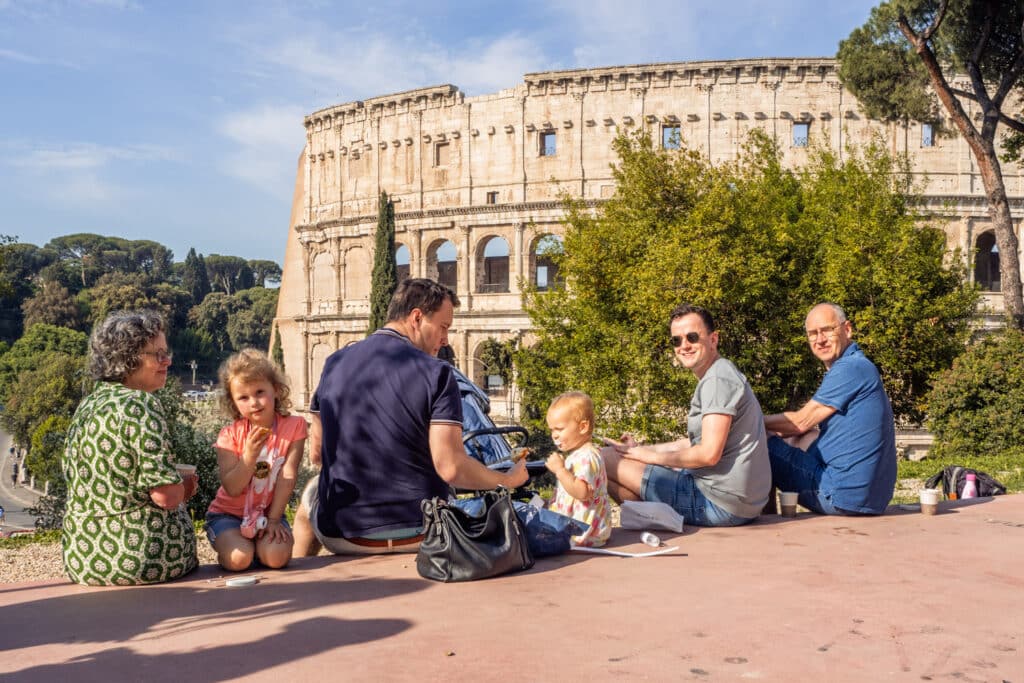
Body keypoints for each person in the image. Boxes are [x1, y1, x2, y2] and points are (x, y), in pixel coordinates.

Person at [292, 278, 528, 556]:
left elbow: (318, 454)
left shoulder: (334, 363)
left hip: (344, 535)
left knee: (309, 499)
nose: (445, 340)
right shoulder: (437, 373)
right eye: (443, 327)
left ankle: (303, 573)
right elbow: (451, 468)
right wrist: (510, 480)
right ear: (417, 317)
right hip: (423, 532)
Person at [62, 310, 198, 585]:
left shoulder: (89, 404)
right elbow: (166, 497)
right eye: (157, 354)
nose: (167, 361)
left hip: (83, 559)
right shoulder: (140, 405)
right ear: (127, 358)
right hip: (140, 560)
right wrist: (185, 486)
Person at [603, 304, 771, 527]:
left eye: (692, 337)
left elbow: (708, 454)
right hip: (738, 502)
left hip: (718, 503)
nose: (684, 346)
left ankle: (653, 522)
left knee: (602, 459)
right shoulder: (720, 373)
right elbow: (695, 443)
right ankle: (651, 521)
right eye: (677, 340)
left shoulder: (717, 381)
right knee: (619, 457)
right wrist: (640, 450)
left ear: (713, 339)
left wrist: (649, 457)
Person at [763, 302, 897, 515]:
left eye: (827, 330)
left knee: (763, 444)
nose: (820, 340)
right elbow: (802, 429)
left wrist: (749, 420)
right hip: (873, 499)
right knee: (799, 437)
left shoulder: (850, 368)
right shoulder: (859, 365)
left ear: (847, 329)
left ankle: (764, 521)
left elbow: (799, 422)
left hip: (842, 496)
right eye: (813, 334)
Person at [205, 349, 307, 571]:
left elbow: (287, 477)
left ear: (276, 390)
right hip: (228, 515)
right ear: (233, 402)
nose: (254, 402)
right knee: (239, 559)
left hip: (269, 513)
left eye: (260, 392)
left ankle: (259, 546)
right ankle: (238, 548)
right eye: (243, 397)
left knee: (276, 558)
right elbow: (232, 488)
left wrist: (273, 520)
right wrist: (249, 456)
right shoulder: (228, 436)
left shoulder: (295, 427)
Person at [545, 392, 611, 547]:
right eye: (552, 430)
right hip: (581, 529)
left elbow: (582, 493)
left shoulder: (587, 457)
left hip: (584, 533)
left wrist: (560, 470)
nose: (554, 435)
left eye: (559, 429)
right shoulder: (578, 454)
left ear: (582, 427)